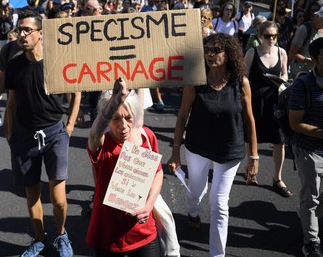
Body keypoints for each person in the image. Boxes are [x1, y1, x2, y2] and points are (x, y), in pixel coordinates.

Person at [168, 33, 259, 257]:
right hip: (198, 146)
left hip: (230, 150)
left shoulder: (241, 83)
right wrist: (175, 151)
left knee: (219, 204)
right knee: (195, 192)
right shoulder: (195, 81)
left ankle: (217, 254)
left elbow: (249, 119)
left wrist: (254, 157)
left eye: (216, 50)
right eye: (207, 49)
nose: (210, 54)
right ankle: (193, 212)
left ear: (228, 54)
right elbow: (181, 117)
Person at [4, 10, 80, 257]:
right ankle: (39, 239)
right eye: (19, 30)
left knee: (58, 200)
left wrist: (69, 126)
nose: (22, 34)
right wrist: (10, 133)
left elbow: (76, 92)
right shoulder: (14, 64)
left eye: (27, 30)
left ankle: (60, 234)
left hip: (55, 133)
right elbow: (12, 102)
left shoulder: (57, 59)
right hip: (25, 136)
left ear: (40, 33)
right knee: (32, 193)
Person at [86, 78, 162, 256]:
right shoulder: (102, 144)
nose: (123, 126)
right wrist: (114, 102)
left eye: (128, 118)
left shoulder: (146, 137)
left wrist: (149, 205)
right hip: (109, 236)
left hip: (144, 233)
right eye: (115, 119)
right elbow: (94, 133)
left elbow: (157, 173)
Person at [244, 21, 291, 196]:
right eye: (267, 36)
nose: (271, 39)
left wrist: (282, 80)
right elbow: (243, 75)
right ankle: (251, 169)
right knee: (252, 138)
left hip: (276, 100)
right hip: (255, 100)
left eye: (274, 36)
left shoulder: (282, 52)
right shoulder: (252, 52)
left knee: (279, 141)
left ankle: (277, 178)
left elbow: (285, 72)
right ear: (259, 36)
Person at [289, 38, 323, 257]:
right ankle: (311, 242)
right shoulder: (303, 85)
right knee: (311, 197)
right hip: (311, 151)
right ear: (314, 60)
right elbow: (295, 123)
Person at [289, 7, 323, 79]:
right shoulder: (304, 29)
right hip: (302, 74)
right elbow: (292, 54)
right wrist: (311, 61)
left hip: (317, 75)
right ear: (316, 16)